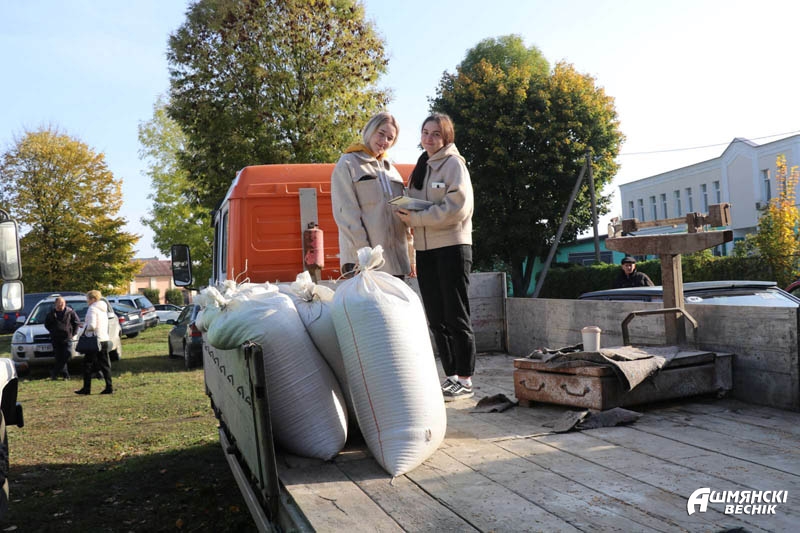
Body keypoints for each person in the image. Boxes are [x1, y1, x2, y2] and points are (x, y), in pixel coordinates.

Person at [396, 113, 476, 401]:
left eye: (436, 134)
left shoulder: (454, 165)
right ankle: (451, 376)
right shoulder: (421, 165)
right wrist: (403, 208)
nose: (429, 138)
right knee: (435, 317)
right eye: (425, 132)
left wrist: (416, 219)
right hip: (425, 250)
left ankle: (465, 379)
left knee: (456, 315)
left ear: (446, 137)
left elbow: (457, 208)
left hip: (452, 247)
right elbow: (419, 204)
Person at [331, 111, 414, 278]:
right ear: (370, 130)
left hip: (396, 264)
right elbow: (346, 214)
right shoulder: (348, 163)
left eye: (390, 138)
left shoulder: (392, 171)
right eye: (381, 134)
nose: (384, 141)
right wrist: (365, 255)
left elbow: (403, 219)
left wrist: (411, 257)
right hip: (364, 263)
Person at [74, 290, 113, 395]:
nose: (87, 301)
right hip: (104, 338)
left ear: (93, 299)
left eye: (88, 299)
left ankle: (86, 388)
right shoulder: (103, 309)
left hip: (94, 340)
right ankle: (109, 386)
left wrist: (83, 329)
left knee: (87, 364)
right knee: (105, 364)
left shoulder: (92, 309)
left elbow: (92, 325)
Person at [44, 296, 80, 380]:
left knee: (67, 355)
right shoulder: (51, 314)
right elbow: (47, 324)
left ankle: (54, 372)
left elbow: (76, 323)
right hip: (56, 338)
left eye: (63, 303)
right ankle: (65, 375)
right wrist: (53, 331)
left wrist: (73, 333)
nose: (61, 304)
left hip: (67, 337)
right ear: (55, 304)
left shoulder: (70, 312)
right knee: (59, 357)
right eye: (59, 303)